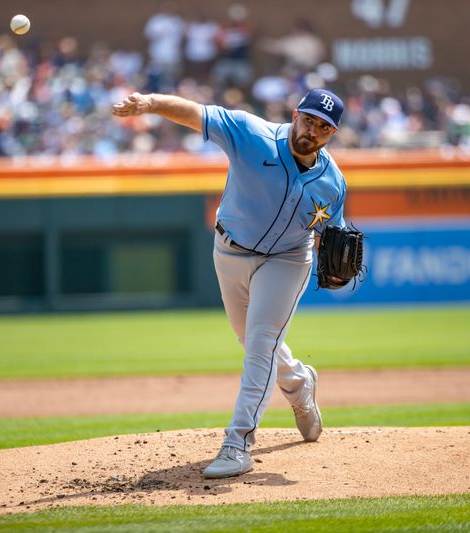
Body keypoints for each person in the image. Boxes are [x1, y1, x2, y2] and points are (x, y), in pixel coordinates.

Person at [113, 87, 348, 478]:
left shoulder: (333, 183)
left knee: (260, 344)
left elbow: (333, 238)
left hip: (287, 259)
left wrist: (337, 268)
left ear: (332, 134)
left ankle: (237, 443)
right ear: (295, 115)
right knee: (252, 340)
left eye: (323, 128)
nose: (313, 131)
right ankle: (299, 383)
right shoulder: (249, 132)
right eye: (309, 120)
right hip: (230, 251)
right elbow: (194, 113)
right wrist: (151, 103)